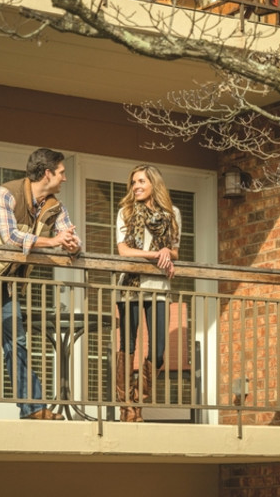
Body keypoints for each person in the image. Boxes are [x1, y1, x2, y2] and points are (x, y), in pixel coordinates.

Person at [0, 147, 81, 420]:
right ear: (47, 173)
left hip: (5, 277)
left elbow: (70, 238)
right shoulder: (5, 194)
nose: (65, 179)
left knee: (17, 340)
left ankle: (32, 407)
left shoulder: (54, 207)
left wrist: (71, 243)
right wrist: (54, 241)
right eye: (61, 173)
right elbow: (11, 237)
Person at [114, 164, 181, 423]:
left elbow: (174, 251)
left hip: (159, 289)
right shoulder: (126, 212)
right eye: (133, 182)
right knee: (127, 346)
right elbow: (123, 251)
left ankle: (140, 402)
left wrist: (166, 252)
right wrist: (155, 253)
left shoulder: (172, 213)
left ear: (154, 183)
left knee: (159, 350)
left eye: (141, 181)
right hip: (130, 286)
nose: (136, 186)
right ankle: (126, 407)